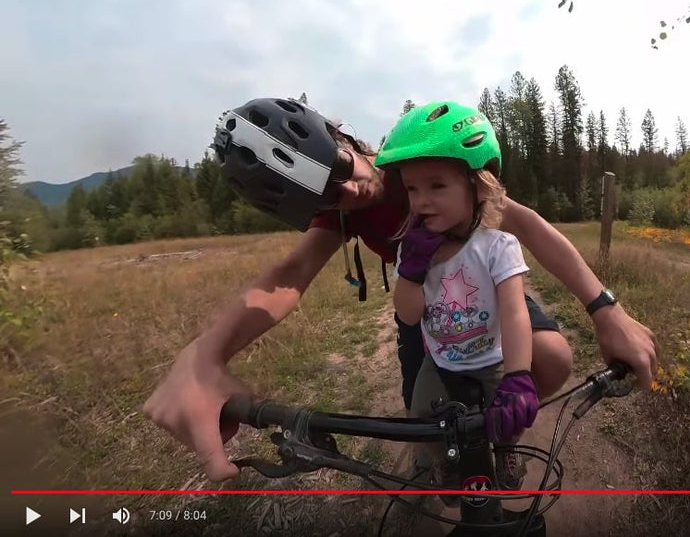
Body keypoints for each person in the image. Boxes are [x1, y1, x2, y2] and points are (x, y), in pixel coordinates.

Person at [142, 96, 659, 483]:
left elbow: (530, 227)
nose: (347, 190)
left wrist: (605, 310)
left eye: (339, 168)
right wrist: (204, 355)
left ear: (342, 139)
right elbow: (289, 275)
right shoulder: (340, 215)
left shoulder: (414, 162)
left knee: (551, 356)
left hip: (482, 285)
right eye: (321, 195)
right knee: (425, 413)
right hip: (426, 306)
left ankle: (503, 435)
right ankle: (456, 444)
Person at [377, 101, 538, 492]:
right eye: (412, 188)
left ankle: (506, 450)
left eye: (436, 185)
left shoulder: (498, 246)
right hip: (442, 362)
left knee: (506, 418)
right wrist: (412, 272)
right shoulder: (412, 251)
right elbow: (410, 316)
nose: (421, 200)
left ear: (477, 185)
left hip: (492, 360)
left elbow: (515, 313)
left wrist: (518, 376)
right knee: (422, 417)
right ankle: (444, 464)